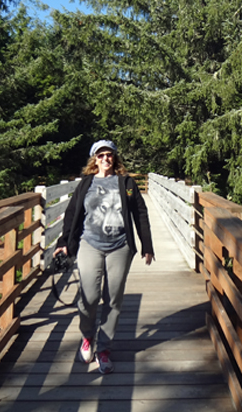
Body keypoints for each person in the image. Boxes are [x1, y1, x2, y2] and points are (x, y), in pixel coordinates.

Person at [53, 140, 154, 374]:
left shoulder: (126, 183)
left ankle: (104, 349)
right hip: (90, 244)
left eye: (109, 155)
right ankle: (87, 336)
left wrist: (146, 244)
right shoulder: (85, 184)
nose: (105, 159)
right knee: (88, 297)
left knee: (113, 299)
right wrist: (63, 243)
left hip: (120, 247)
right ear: (94, 159)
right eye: (101, 155)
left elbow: (140, 212)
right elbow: (71, 214)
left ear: (115, 158)